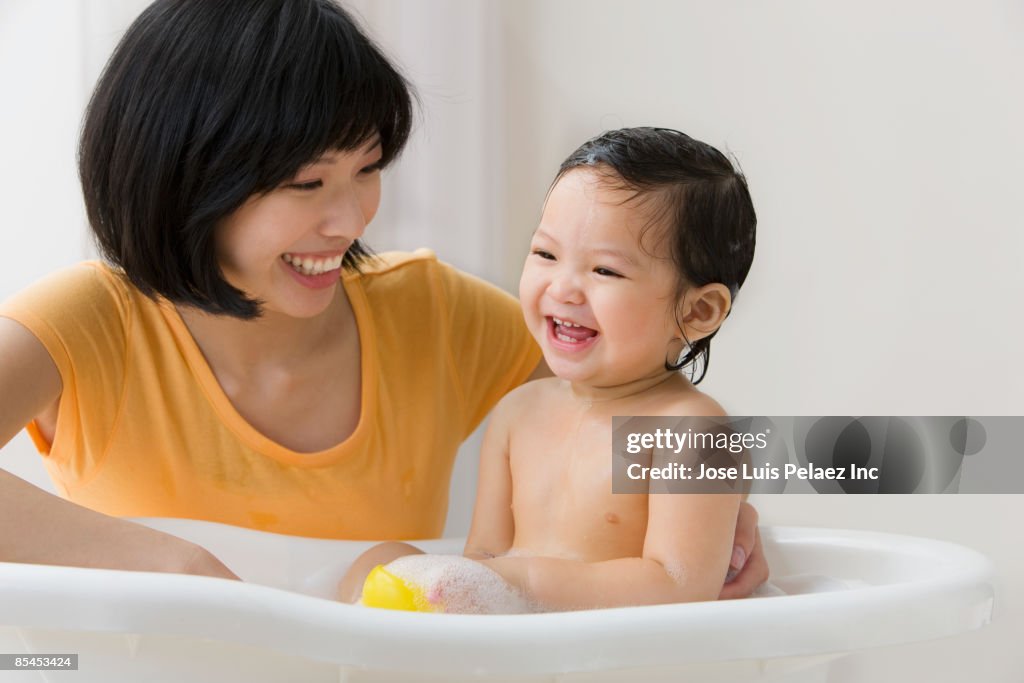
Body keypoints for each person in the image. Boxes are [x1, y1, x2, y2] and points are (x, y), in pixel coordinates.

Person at [0, 0, 766, 597]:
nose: (353, 217)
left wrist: (735, 508)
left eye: (367, 169)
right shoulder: (89, 321)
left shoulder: (434, 314)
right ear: (187, 178)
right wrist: (172, 565)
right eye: (308, 184)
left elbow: (637, 403)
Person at [340, 127, 758, 612]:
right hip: (517, 644)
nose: (562, 288)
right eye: (545, 254)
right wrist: (480, 585)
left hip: (610, 656)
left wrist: (527, 586)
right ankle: (351, 640)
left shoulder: (692, 430)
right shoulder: (518, 411)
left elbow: (681, 586)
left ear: (697, 313)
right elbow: (485, 555)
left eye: (605, 270)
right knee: (378, 557)